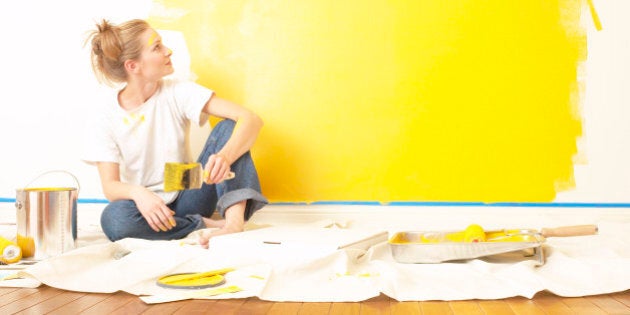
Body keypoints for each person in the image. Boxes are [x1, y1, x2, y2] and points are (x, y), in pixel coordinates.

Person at [82, 19, 267, 246]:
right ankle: (201, 224)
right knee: (114, 219)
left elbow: (251, 119)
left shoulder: (177, 90)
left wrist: (225, 156)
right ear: (133, 66)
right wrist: (140, 194)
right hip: (144, 203)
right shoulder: (105, 114)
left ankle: (233, 224)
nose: (168, 51)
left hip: (185, 185)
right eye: (157, 47)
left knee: (228, 127)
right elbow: (111, 187)